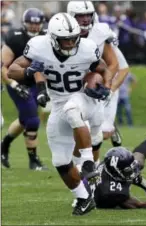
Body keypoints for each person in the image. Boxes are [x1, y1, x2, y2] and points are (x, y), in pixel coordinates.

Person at [7, 13, 112, 215]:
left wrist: (102, 85)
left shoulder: (87, 48)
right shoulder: (39, 46)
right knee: (60, 161)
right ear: (53, 38)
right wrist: (28, 73)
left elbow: (102, 68)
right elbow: (12, 71)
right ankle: (83, 197)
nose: (72, 42)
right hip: (58, 103)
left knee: (72, 110)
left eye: (74, 37)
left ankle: (88, 162)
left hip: (83, 99)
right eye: (66, 39)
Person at [67, 1, 129, 167]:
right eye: (81, 15)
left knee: (101, 133)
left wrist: (107, 88)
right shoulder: (64, 33)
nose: (86, 20)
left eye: (88, 15)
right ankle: (85, 165)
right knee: (82, 130)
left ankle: (91, 165)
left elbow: (117, 66)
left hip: (102, 85)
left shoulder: (101, 33)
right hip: (79, 87)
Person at [1, 8, 47, 170]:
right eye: (31, 23)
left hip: (36, 81)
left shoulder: (47, 36)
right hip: (17, 81)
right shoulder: (15, 37)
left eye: (37, 23)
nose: (34, 26)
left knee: (25, 119)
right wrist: (14, 85)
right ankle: (33, 160)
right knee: (33, 119)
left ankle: (4, 144)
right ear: (24, 23)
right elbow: (3, 66)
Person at [87, 131, 146, 209]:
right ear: (115, 172)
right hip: (103, 197)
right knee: (131, 174)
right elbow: (142, 205)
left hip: (113, 177)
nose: (133, 171)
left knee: (138, 163)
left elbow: (128, 169)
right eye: (128, 170)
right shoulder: (112, 192)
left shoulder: (110, 167)